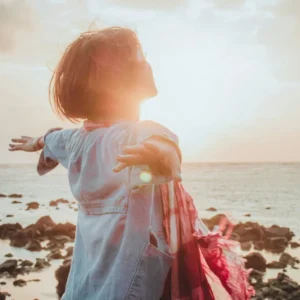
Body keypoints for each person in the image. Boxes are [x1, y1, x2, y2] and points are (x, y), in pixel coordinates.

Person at [9, 27, 254, 300]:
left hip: (89, 278)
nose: (147, 64)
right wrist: (156, 155)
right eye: (139, 58)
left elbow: (53, 139)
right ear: (115, 81)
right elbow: (166, 148)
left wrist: (36, 142)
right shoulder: (140, 134)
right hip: (137, 280)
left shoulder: (76, 141)